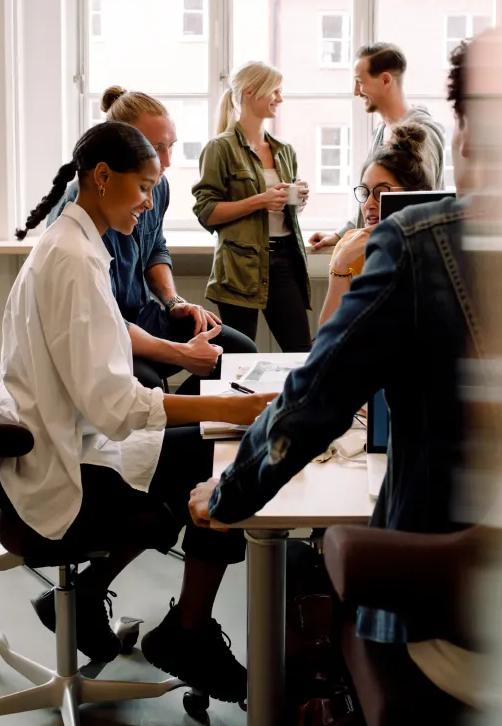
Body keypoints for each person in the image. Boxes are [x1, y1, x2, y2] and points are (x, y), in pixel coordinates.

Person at [188, 37, 478, 656]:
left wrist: (231, 492)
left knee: (302, 566)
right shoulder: (406, 240)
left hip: (448, 621)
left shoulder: (420, 243)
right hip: (248, 267)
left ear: (467, 138)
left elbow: (316, 396)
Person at [0, 120, 277, 702]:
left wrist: (219, 405)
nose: (150, 201)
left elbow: (106, 388)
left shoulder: (76, 246)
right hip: (65, 468)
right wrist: (231, 406)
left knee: (210, 444)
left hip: (72, 441)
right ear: (102, 178)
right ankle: (188, 634)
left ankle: (170, 623)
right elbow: (117, 406)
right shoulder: (73, 258)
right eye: (144, 187)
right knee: (223, 457)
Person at [47, 85, 257, 396]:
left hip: (143, 316)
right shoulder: (78, 211)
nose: (167, 162)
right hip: (106, 329)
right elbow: (102, 322)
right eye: (156, 148)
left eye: (171, 146)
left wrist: (173, 302)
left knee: (240, 351)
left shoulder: (159, 187)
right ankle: (169, 432)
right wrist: (181, 353)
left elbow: (155, 247)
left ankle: (187, 426)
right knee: (145, 381)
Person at [192, 62, 313, 351]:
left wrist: (298, 200)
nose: (280, 99)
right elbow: (206, 212)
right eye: (275, 91)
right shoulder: (219, 148)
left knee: (300, 353)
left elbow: (281, 213)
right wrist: (261, 200)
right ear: (250, 92)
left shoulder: (284, 151)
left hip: (285, 261)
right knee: (238, 358)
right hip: (239, 268)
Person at [308, 42, 446, 252]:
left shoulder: (422, 134)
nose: (356, 92)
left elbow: (424, 206)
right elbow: (374, 199)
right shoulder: (381, 132)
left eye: (359, 82)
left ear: (385, 80)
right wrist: (339, 235)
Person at [317, 122, 439, 327]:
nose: (369, 204)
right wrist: (340, 264)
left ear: (412, 196)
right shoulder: (350, 246)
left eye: (382, 193)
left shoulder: (435, 247)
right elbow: (326, 339)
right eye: (364, 193)